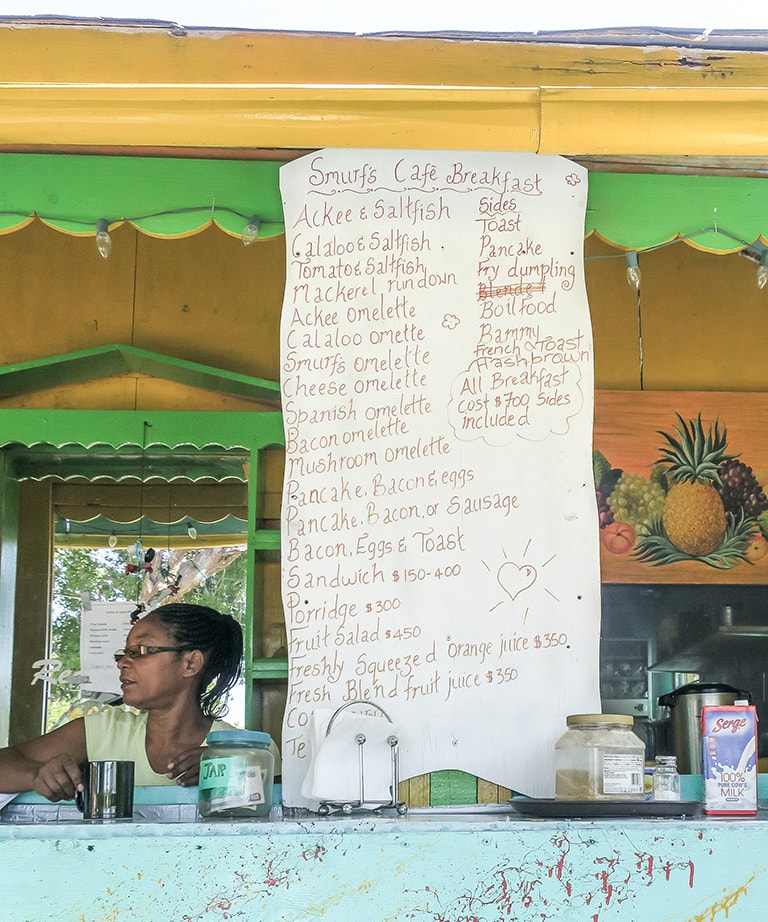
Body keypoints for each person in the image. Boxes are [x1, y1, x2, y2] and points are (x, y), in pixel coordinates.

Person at [0, 603, 249, 802]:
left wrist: (229, 771)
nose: (122, 663)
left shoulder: (247, 751)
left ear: (190, 664)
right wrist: (37, 775)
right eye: (124, 653)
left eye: (140, 651)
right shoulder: (102, 731)